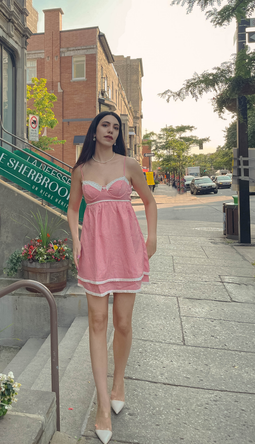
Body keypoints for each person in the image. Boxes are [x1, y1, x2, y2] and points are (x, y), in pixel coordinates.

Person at [67, 112, 157, 444]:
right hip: (94, 249)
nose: (111, 130)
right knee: (96, 320)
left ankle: (119, 381)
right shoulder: (81, 170)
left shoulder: (129, 164)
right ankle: (103, 405)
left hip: (127, 248)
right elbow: (73, 207)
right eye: (105, 125)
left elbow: (149, 201)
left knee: (122, 322)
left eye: (116, 127)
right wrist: (75, 237)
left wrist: (152, 238)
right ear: (94, 131)